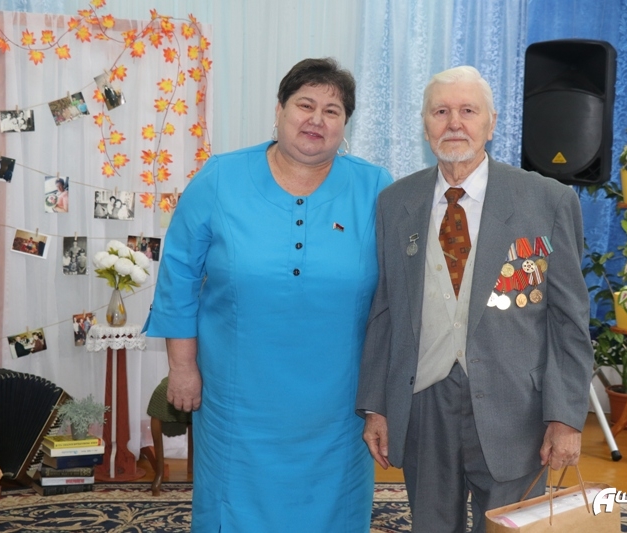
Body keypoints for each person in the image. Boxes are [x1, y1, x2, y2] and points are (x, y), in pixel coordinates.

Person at [145, 57, 393, 532]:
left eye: (333, 110)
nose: (317, 119)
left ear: (345, 124)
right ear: (279, 110)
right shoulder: (220, 178)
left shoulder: (375, 188)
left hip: (339, 402)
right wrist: (182, 367)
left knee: (333, 511)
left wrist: (381, 397)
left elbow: (395, 298)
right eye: (305, 105)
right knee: (235, 507)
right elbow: (178, 276)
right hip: (237, 396)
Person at [356, 66, 593, 533]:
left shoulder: (547, 201)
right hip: (423, 402)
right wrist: (376, 405)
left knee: (508, 528)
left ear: (491, 122)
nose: (454, 123)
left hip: (516, 408)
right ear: (425, 124)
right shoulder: (395, 203)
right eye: (440, 112)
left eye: (468, 111)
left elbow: (569, 319)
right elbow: (384, 311)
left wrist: (565, 417)